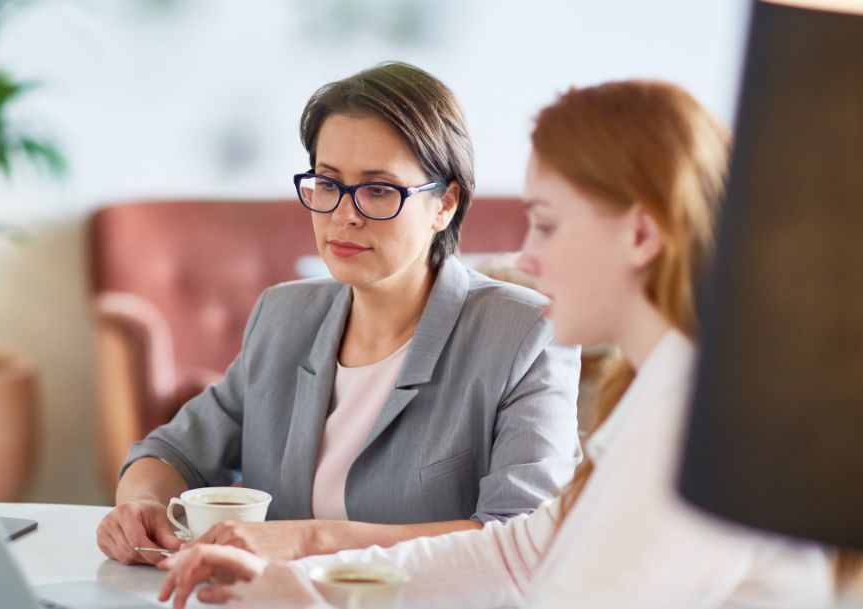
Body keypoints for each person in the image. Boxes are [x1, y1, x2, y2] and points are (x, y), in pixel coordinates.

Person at [157, 80, 835, 609]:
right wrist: (302, 574)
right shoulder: (661, 390)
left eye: (543, 224)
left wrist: (305, 597)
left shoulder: (693, 431)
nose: (525, 257)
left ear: (639, 235)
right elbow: (519, 551)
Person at [96, 62, 582, 566]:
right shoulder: (284, 314)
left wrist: (312, 541)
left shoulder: (526, 333)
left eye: (378, 190)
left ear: (445, 204)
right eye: (327, 184)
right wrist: (141, 505)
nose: (343, 214)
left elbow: (525, 539)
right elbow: (172, 452)